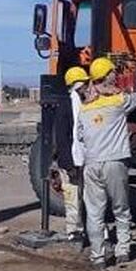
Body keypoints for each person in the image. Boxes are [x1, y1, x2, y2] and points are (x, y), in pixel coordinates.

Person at [77, 57, 136, 269]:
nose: (116, 75)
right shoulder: (119, 102)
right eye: (113, 72)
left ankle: (98, 257)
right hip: (114, 162)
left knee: (94, 214)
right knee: (121, 209)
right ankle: (123, 251)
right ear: (108, 76)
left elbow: (81, 136)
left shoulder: (85, 109)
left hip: (91, 165)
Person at [52, 65, 91, 243]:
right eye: (83, 84)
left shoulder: (86, 104)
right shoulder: (66, 106)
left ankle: (90, 229)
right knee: (73, 198)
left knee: (90, 197)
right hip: (72, 162)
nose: (86, 87)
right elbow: (62, 137)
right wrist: (68, 165)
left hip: (87, 159)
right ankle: (74, 231)